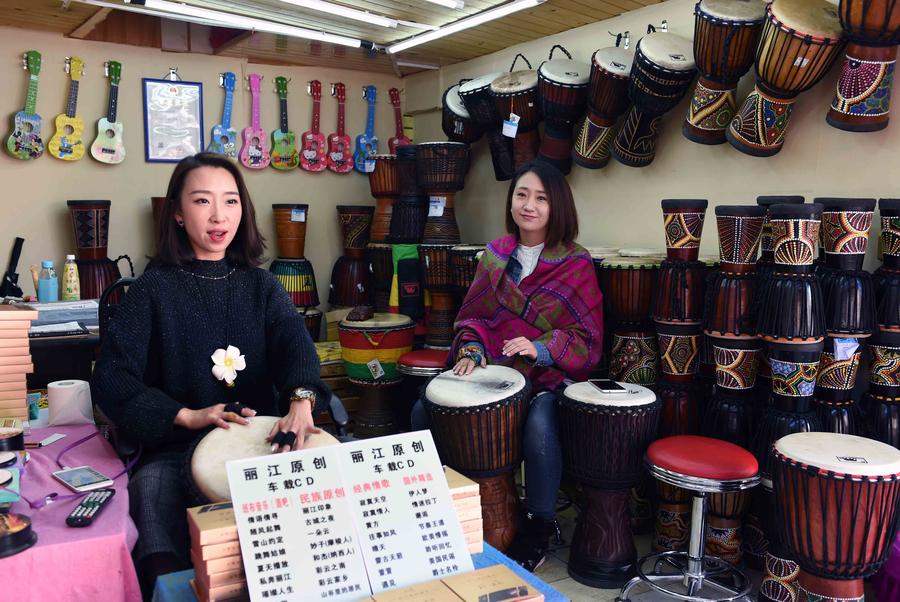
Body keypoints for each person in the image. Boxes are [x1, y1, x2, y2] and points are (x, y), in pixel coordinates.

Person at [91, 153, 330, 592]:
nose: (219, 216)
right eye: (202, 201)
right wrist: (185, 415)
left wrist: (301, 402)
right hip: (176, 447)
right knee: (151, 498)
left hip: (263, 441)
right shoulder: (152, 289)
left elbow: (296, 347)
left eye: (230, 201)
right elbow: (112, 378)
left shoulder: (262, 285)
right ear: (178, 214)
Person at [412, 161, 604, 571]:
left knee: (539, 425)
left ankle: (538, 525)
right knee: (423, 409)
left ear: (558, 206)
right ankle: (438, 508)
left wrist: (541, 348)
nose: (529, 205)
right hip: (495, 370)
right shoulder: (496, 254)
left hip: (549, 378)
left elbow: (586, 337)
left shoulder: (576, 261)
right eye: (521, 195)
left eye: (541, 198)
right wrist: (471, 350)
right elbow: (474, 319)